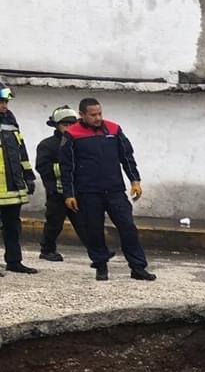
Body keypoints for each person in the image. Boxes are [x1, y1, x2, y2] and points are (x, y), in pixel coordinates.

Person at [60, 97, 155, 281]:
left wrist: (135, 180)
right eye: (93, 115)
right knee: (94, 230)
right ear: (82, 115)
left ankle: (138, 267)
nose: (98, 118)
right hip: (88, 192)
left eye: (100, 113)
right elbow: (67, 167)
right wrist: (69, 194)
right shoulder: (72, 135)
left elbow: (127, 157)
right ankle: (101, 266)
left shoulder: (114, 129)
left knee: (128, 228)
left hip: (114, 190)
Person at [36, 105, 84, 261]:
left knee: (85, 224)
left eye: (72, 124)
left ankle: (97, 251)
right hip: (57, 192)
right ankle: (47, 250)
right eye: (65, 124)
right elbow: (43, 168)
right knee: (54, 223)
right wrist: (66, 169)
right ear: (56, 126)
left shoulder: (80, 143)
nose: (69, 127)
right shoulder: (47, 145)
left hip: (77, 191)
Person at [0, 83, 39, 275]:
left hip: (12, 185)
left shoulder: (10, 120)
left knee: (13, 226)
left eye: (6, 101)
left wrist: (28, 176)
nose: (4, 106)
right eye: (1, 102)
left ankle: (14, 261)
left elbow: (20, 150)